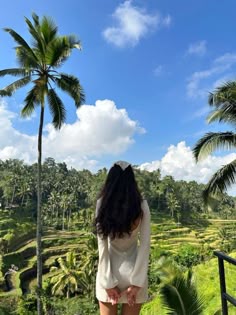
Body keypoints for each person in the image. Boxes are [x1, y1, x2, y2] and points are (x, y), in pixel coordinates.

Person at [94, 161, 151, 315]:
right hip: (134, 273)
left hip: (109, 271)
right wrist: (137, 282)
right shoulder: (141, 206)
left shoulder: (102, 205)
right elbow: (145, 245)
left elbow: (102, 246)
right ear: (132, 181)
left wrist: (107, 282)